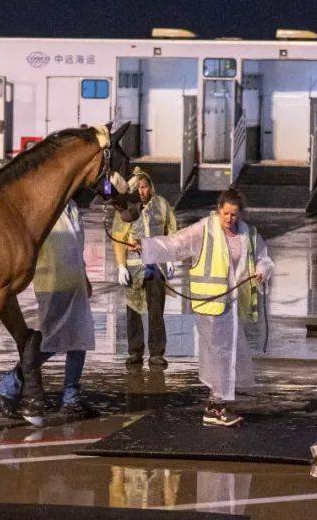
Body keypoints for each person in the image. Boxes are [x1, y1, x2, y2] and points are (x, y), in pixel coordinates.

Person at [133, 188, 273, 426]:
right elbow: (175, 244)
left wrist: (262, 270)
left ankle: (216, 404)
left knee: (229, 355)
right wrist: (145, 247)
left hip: (233, 305)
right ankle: (217, 407)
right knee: (217, 354)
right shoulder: (205, 229)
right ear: (219, 210)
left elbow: (263, 256)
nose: (230, 219)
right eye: (226, 214)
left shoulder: (248, 233)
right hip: (210, 304)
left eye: (235, 215)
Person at [0, 199, 97, 421]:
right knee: (51, 342)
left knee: (79, 341)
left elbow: (76, 245)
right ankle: (7, 387)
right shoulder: (46, 206)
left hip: (74, 282)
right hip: (52, 284)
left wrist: (84, 276)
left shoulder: (73, 207)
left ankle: (71, 398)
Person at [112, 167, 177, 368]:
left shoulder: (162, 205)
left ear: (150, 187)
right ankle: (135, 351)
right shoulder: (127, 208)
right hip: (133, 268)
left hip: (155, 267)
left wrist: (170, 258)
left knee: (156, 310)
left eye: (144, 186)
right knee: (133, 311)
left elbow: (172, 232)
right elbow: (118, 238)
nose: (142, 191)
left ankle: (157, 353)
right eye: (138, 187)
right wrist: (121, 265)